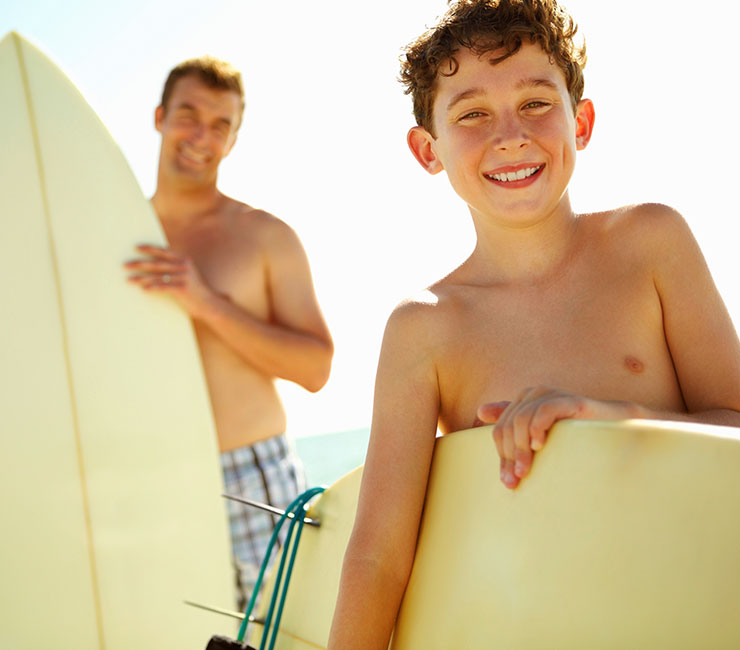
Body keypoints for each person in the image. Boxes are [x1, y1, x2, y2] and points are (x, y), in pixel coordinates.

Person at [327, 0, 740, 647]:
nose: (511, 135)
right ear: (426, 150)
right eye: (472, 114)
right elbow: (379, 558)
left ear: (584, 121)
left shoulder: (652, 243)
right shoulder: (423, 329)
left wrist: (615, 415)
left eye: (537, 103)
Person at [124, 57, 334, 609]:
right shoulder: (115, 235)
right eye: (189, 114)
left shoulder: (264, 236)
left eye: (221, 125)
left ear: (234, 140)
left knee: (282, 638)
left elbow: (316, 368)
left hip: (249, 473)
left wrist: (207, 303)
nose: (201, 136)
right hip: (144, 477)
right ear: (159, 118)